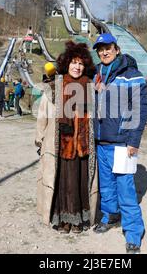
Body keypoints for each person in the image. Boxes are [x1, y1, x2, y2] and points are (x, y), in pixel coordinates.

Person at [92, 33, 147, 254]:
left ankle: (134, 233)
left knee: (125, 188)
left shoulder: (132, 75)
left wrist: (134, 141)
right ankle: (110, 216)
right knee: (106, 186)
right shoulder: (97, 74)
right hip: (101, 140)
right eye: (100, 49)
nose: (104, 52)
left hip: (123, 143)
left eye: (108, 48)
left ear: (116, 49)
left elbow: (141, 109)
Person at [35, 41, 99, 235]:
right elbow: (42, 115)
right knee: (62, 183)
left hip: (83, 146)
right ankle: (62, 219)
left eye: (80, 63)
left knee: (80, 182)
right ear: (66, 64)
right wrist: (39, 139)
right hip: (59, 145)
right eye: (73, 62)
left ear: (85, 65)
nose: (77, 67)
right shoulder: (54, 87)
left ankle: (79, 219)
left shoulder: (91, 88)